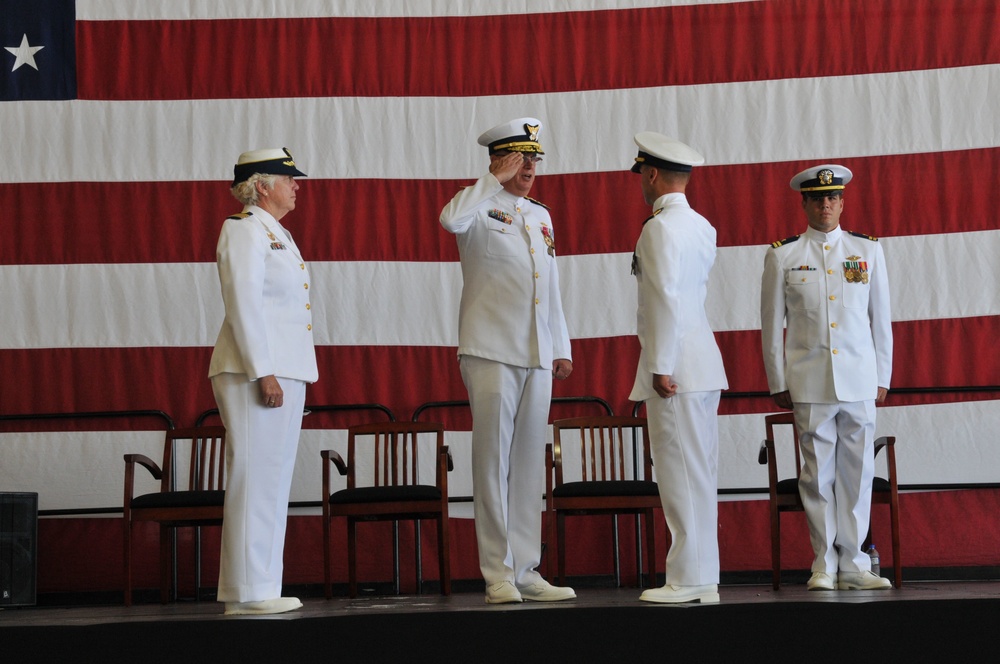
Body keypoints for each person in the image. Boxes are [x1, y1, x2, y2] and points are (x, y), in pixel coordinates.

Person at [439, 117, 576, 604]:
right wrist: (491, 181)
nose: (530, 167)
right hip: (491, 349)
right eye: (521, 158)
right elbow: (448, 219)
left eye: (535, 159)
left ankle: (526, 568)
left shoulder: (540, 215)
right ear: (498, 160)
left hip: (537, 351)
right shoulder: (476, 206)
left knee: (527, 464)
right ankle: (496, 571)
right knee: (492, 460)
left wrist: (561, 346)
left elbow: (550, 286)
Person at [760, 164, 893, 591]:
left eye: (833, 197)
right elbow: (770, 325)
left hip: (858, 379)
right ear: (804, 202)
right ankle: (824, 563)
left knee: (857, 474)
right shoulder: (784, 255)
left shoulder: (867, 251)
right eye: (817, 198)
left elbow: (882, 320)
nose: (826, 204)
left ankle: (855, 563)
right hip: (809, 379)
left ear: (843, 202)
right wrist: (777, 380)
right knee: (817, 477)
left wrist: (883, 374)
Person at [208, 147, 318, 615]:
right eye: (288, 178)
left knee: (272, 482)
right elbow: (243, 302)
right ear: (262, 185)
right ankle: (244, 593)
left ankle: (263, 585)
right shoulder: (243, 230)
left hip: (285, 369)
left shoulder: (277, 234)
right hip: (256, 369)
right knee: (253, 478)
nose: (297, 185)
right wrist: (264, 370)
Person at [627, 132, 729, 604]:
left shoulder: (658, 229)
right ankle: (702, 577)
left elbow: (666, 299)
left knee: (679, 474)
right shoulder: (703, 226)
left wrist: (660, 364)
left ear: (650, 175)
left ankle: (688, 580)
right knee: (699, 472)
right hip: (703, 363)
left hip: (677, 370)